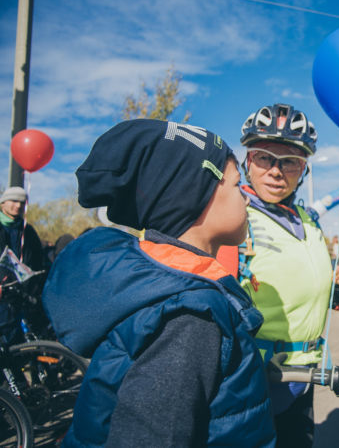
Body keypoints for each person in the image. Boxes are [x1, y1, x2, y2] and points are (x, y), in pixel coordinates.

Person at [42, 119, 275, 447]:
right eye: (237, 185)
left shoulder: (172, 291)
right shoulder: (189, 317)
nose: (247, 198)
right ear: (195, 196)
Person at [236, 103, 339, 447]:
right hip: (257, 379)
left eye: (289, 161)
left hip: (303, 376)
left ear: (303, 170)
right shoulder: (233, 216)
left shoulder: (307, 220)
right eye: (264, 157)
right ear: (247, 162)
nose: (276, 171)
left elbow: (306, 283)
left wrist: (337, 290)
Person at [0, 186, 45, 345]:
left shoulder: (28, 230)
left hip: (21, 293)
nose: (18, 206)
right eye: (13, 201)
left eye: (22, 202)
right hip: (2, 293)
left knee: (18, 343)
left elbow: (39, 260)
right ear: (3, 203)